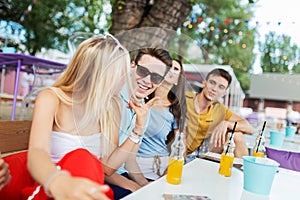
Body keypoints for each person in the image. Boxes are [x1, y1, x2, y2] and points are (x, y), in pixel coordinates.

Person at [26, 35, 157, 200]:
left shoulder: (111, 106)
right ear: (102, 74)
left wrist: (138, 129)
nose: (126, 79)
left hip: (92, 186)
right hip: (53, 189)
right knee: (81, 158)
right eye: (122, 73)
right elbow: (37, 153)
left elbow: (108, 168)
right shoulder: (51, 98)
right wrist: (60, 182)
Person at [104, 48, 173, 199]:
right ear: (132, 66)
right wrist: (135, 187)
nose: (148, 81)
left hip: (120, 176)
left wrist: (146, 185)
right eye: (143, 71)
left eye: (156, 77)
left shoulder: (143, 108)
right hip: (98, 178)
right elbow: (104, 168)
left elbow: (130, 160)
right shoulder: (112, 100)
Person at [132, 59, 186, 181]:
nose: (171, 69)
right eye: (169, 66)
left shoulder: (175, 110)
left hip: (162, 166)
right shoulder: (141, 98)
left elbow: (181, 147)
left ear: (178, 80)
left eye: (176, 69)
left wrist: (167, 174)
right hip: (135, 164)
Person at [185, 68, 253, 161]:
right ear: (204, 83)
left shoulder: (220, 109)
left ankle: (242, 172)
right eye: (212, 83)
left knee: (237, 135)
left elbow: (249, 128)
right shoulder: (186, 98)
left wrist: (226, 123)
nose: (214, 89)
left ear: (224, 93)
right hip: (175, 150)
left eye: (221, 87)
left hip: (196, 153)